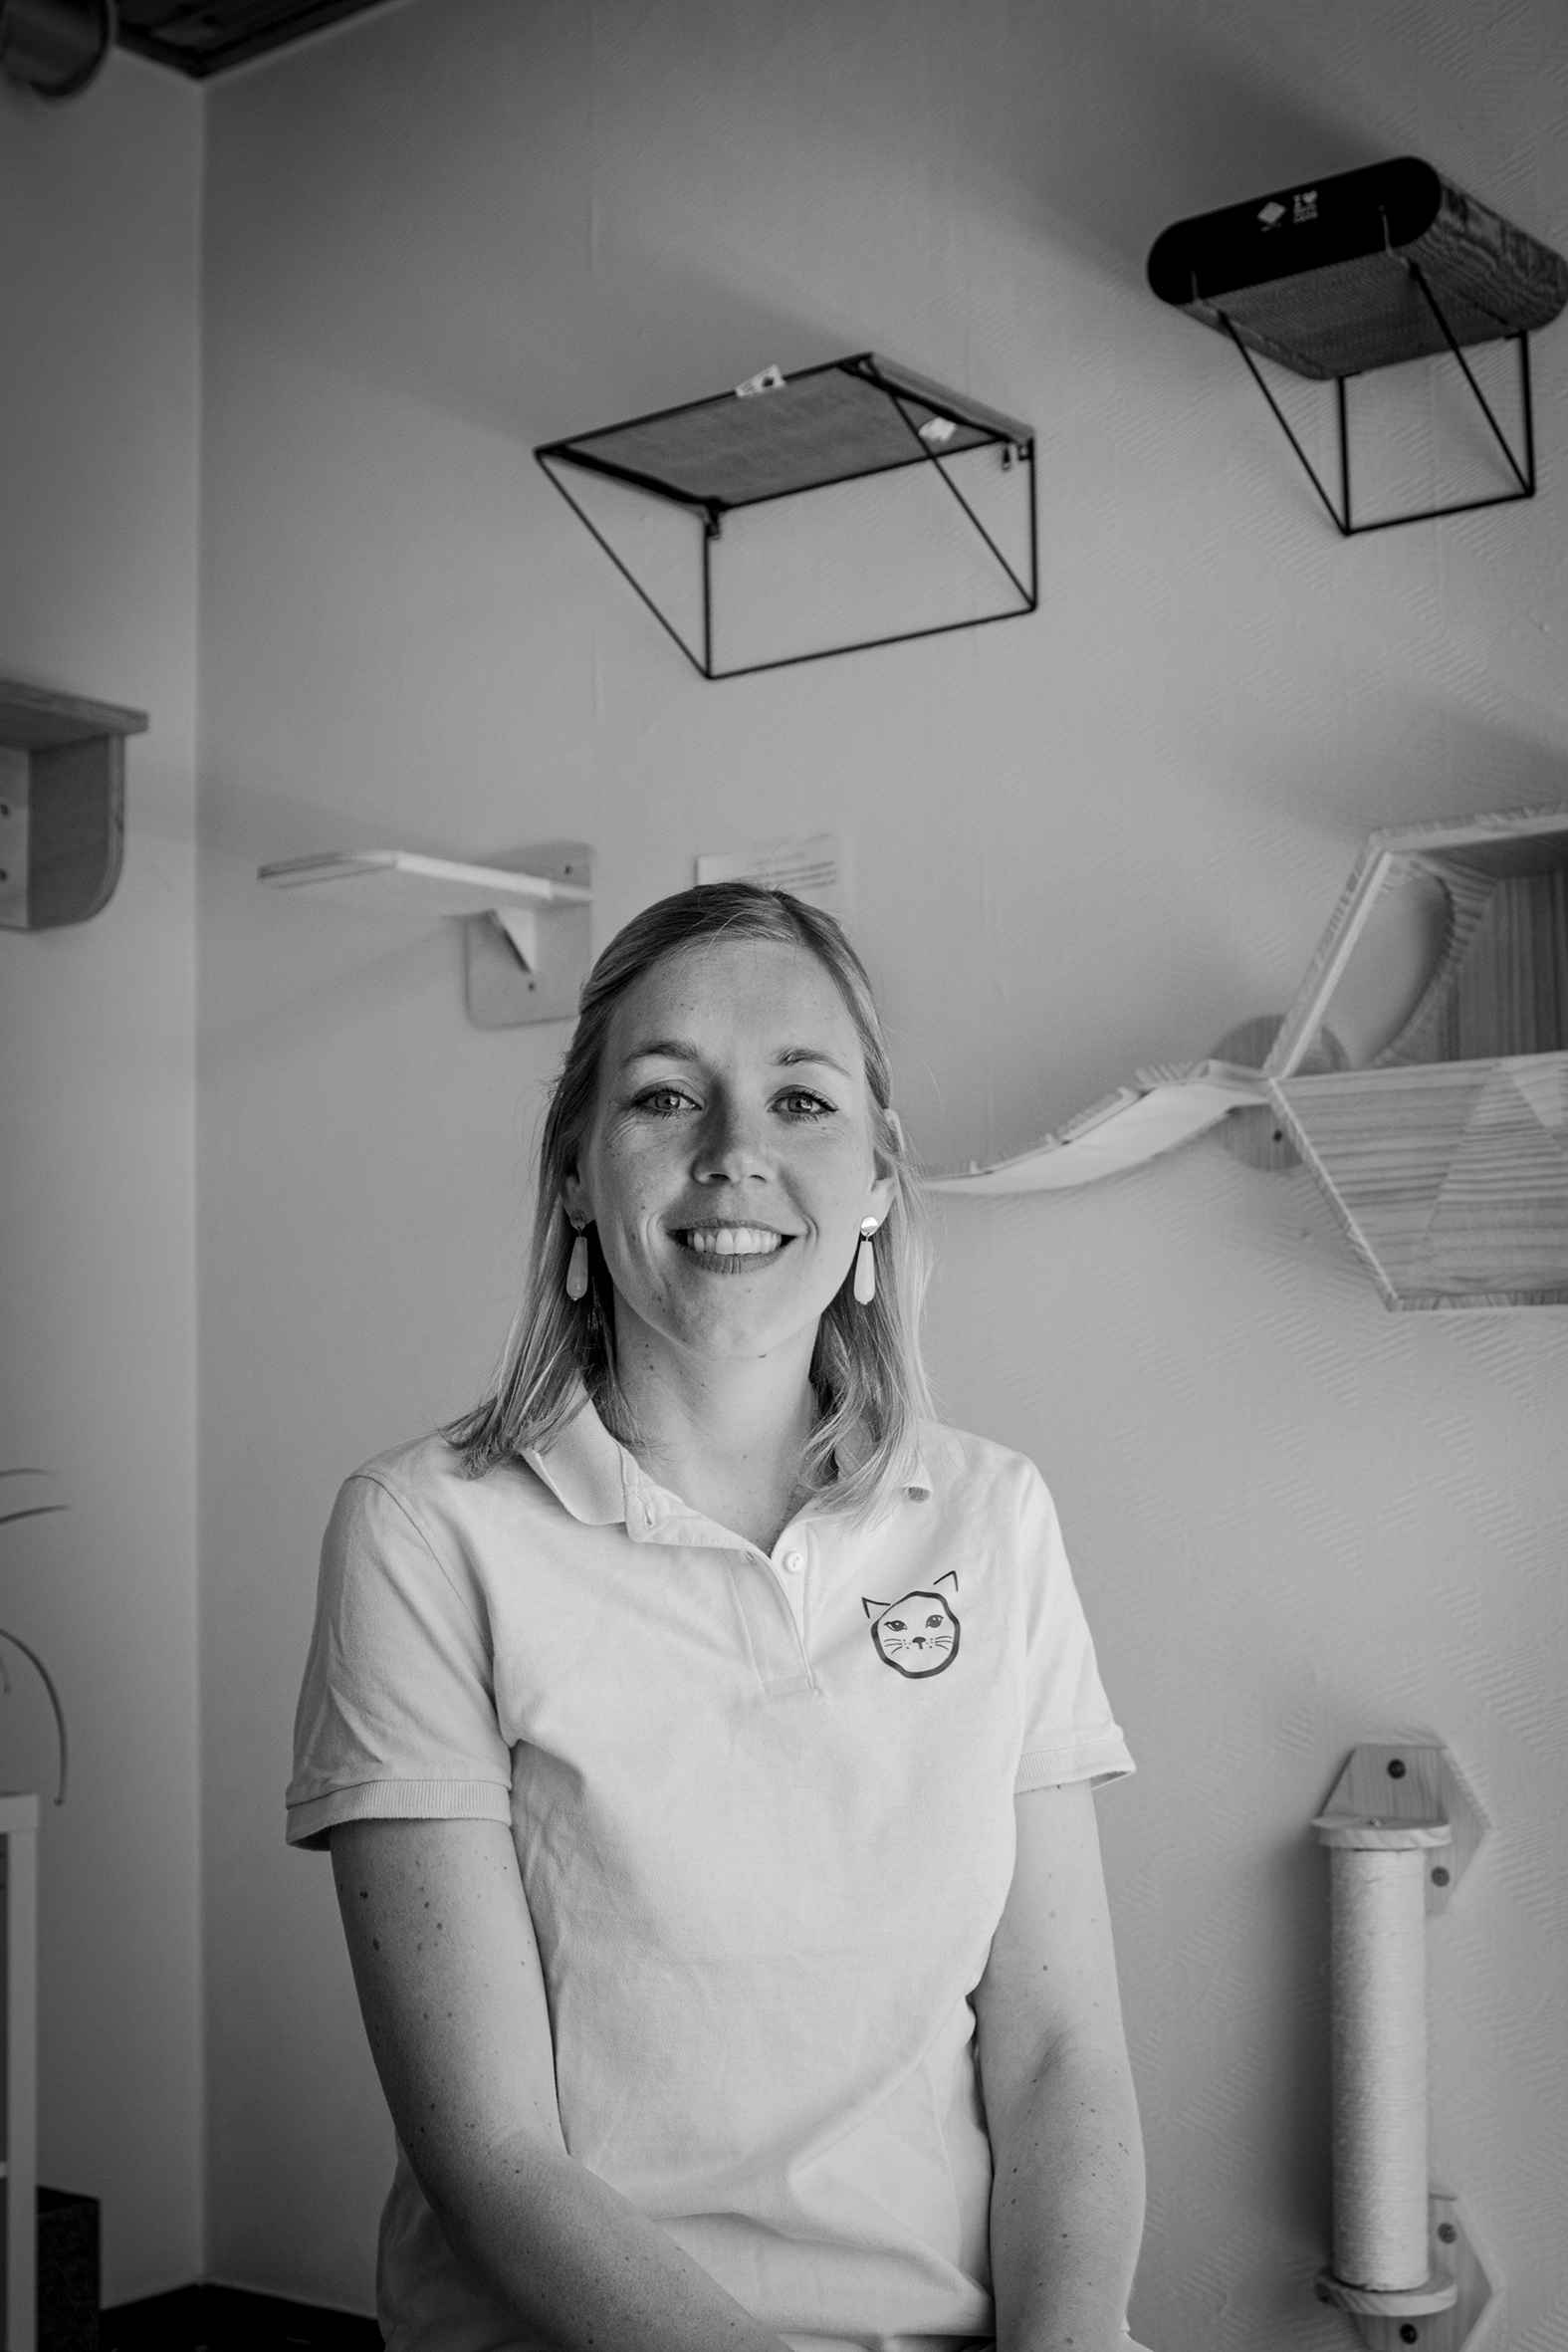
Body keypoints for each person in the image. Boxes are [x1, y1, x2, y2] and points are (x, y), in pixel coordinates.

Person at [288, 882, 1150, 2352]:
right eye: (665, 1095)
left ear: (877, 1179)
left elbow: (1060, 2059)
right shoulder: (424, 1532)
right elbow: (493, 2158)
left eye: (801, 1099)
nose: (736, 1150)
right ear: (577, 1171)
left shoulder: (993, 1516)